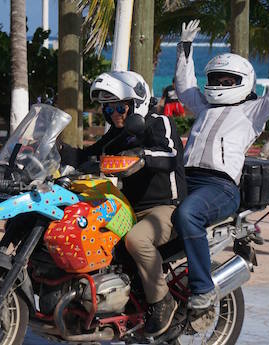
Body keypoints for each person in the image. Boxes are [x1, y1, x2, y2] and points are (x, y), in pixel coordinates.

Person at [173, 19, 269, 310]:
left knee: (188, 215)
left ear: (243, 82)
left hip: (220, 187)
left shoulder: (253, 110)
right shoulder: (203, 106)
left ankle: (202, 288)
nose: (221, 85)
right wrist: (184, 48)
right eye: (217, 79)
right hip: (186, 180)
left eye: (229, 81)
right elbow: (185, 86)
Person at [58, 71, 187, 337]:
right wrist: (54, 148)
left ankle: (162, 300)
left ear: (135, 102)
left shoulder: (158, 122)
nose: (113, 113)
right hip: (128, 208)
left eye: (119, 107)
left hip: (165, 207)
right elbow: (87, 156)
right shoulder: (118, 133)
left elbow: (170, 155)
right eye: (108, 109)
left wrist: (141, 156)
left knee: (136, 240)